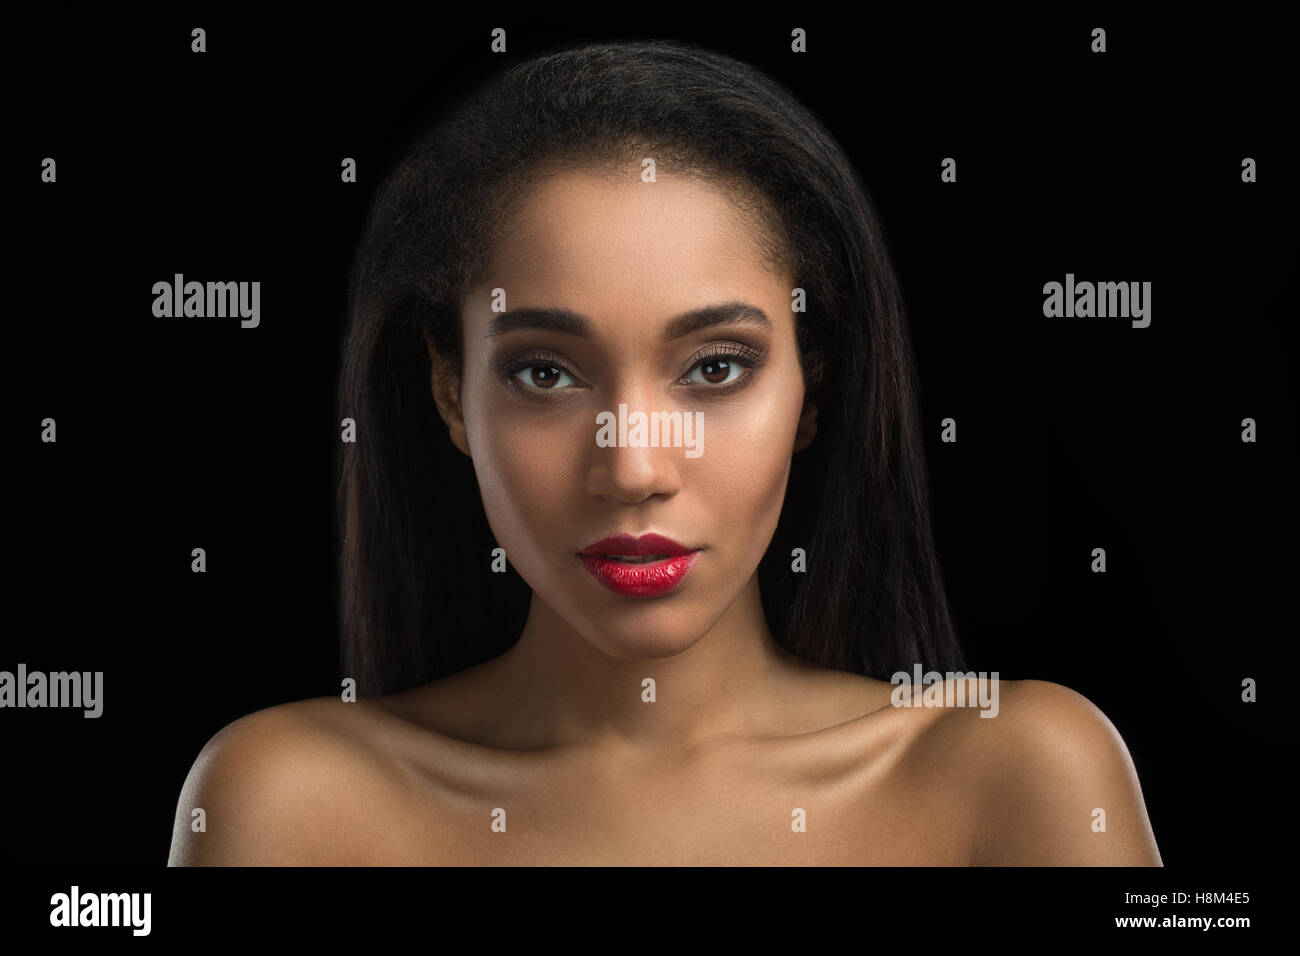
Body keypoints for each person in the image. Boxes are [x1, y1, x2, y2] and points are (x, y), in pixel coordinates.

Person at [169, 40, 1162, 865]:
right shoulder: (289, 804)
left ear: (810, 389)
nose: (635, 465)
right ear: (449, 392)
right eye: (547, 373)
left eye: (716, 367)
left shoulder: (1020, 775)